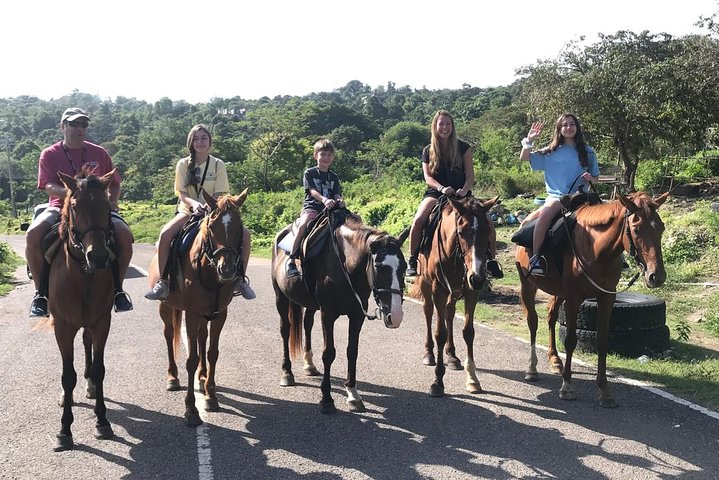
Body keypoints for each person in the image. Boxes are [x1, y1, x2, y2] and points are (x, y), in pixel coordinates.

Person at [26, 107, 134, 317]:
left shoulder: (99, 152)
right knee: (33, 234)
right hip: (60, 207)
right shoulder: (49, 154)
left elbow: (115, 183)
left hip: (96, 209)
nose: (80, 128)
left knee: (123, 235)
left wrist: (112, 201)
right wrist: (73, 195)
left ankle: (119, 291)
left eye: (83, 124)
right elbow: (48, 185)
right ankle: (41, 294)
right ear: (62, 127)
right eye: (74, 124)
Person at [144, 124, 256, 300]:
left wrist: (209, 205)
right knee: (165, 234)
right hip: (187, 211)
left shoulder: (218, 164)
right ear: (190, 142)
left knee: (246, 235)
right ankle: (163, 282)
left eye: (204, 138)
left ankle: (240, 280)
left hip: (213, 211)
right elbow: (181, 193)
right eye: (196, 138)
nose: (200, 142)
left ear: (210, 141)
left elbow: (221, 193)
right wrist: (195, 204)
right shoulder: (182, 164)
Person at [405, 110, 503, 278]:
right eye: (441, 124)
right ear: (435, 127)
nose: (445, 127)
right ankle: (413, 259)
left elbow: (470, 175)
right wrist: (442, 188)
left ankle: (491, 261)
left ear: (452, 126)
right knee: (418, 220)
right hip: (437, 193)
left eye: (448, 124)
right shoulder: (428, 150)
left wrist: (464, 189)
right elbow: (428, 177)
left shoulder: (463, 147)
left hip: (462, 193)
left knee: (487, 222)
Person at [519, 113, 600, 276]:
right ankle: (535, 258)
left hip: (582, 197)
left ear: (577, 127)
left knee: (611, 216)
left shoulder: (588, 152)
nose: (569, 128)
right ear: (559, 129)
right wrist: (529, 141)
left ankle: (618, 258)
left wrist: (591, 178)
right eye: (565, 125)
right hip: (557, 198)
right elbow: (524, 158)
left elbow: (596, 178)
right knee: (544, 216)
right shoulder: (550, 152)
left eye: (572, 124)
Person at [285, 139, 344, 278]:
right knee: (303, 224)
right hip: (312, 207)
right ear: (315, 155)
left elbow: (336, 192)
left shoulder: (333, 176)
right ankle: (291, 260)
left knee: (354, 221)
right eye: (323, 154)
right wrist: (324, 199)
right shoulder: (309, 173)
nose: (326, 158)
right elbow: (311, 190)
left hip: (330, 209)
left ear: (333, 157)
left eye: (329, 155)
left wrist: (339, 200)